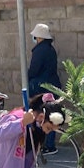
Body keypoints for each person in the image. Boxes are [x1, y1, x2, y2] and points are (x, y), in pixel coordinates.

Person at [28, 23, 62, 155]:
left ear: (38, 36)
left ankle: (43, 144)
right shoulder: (50, 49)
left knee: (40, 114)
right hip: (52, 85)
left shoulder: (39, 51)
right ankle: (49, 144)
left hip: (41, 87)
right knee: (51, 114)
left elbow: (34, 70)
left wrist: (28, 75)